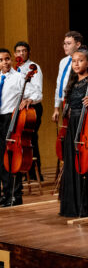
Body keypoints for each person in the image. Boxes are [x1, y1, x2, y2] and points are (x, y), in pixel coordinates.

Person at [59, 47, 88, 217]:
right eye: (73, 61)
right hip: (73, 125)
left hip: (87, 123)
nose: (76, 64)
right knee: (73, 163)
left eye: (80, 61)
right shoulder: (72, 83)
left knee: (86, 163)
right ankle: (73, 205)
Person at [0, 48, 42, 207]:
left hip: (11, 118)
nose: (5, 62)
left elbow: (37, 95)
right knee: (1, 161)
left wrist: (28, 100)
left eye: (7, 59)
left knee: (12, 158)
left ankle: (15, 195)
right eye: (1, 60)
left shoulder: (19, 78)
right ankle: (5, 194)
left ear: (11, 60)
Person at [14, 41, 44, 181]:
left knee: (31, 138)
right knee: (19, 138)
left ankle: (35, 173)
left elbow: (38, 91)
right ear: (15, 54)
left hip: (32, 106)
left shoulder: (34, 67)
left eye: (24, 51)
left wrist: (29, 99)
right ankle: (21, 169)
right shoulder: (14, 70)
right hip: (19, 107)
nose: (21, 53)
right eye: (18, 51)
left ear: (28, 52)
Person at [52, 31, 83, 123]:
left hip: (77, 104)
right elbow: (59, 84)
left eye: (69, 44)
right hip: (64, 102)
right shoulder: (63, 61)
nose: (65, 46)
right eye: (64, 43)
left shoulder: (84, 61)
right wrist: (56, 108)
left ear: (78, 44)